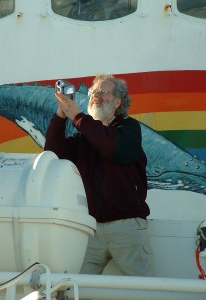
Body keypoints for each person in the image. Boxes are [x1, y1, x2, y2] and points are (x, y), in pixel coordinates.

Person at [44, 73, 154, 276]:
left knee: (143, 291)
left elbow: (112, 146)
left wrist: (77, 116)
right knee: (76, 289)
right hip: (90, 228)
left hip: (127, 226)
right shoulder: (84, 136)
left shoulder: (129, 128)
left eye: (103, 92)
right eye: (93, 91)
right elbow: (53, 153)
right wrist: (61, 114)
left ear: (117, 102)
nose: (95, 95)